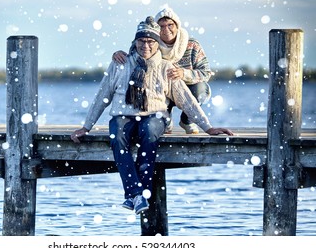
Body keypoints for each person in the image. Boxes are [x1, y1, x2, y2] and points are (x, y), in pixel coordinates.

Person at [71, 16, 233, 215]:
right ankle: (137, 194)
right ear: (135, 42)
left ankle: (137, 194)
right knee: (117, 135)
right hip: (124, 115)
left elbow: (186, 100)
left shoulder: (166, 67)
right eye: (141, 41)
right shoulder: (120, 64)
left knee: (149, 132)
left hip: (156, 115)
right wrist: (86, 127)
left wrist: (208, 127)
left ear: (157, 43)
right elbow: (102, 96)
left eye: (150, 41)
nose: (145, 45)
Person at [113, 7, 212, 134]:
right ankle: (165, 117)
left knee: (201, 90)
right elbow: (133, 59)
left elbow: (206, 72)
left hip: (187, 87)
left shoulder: (192, 44)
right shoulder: (150, 40)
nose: (166, 29)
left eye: (170, 25)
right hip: (161, 88)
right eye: (161, 26)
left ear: (177, 25)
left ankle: (187, 120)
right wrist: (117, 54)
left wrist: (184, 73)